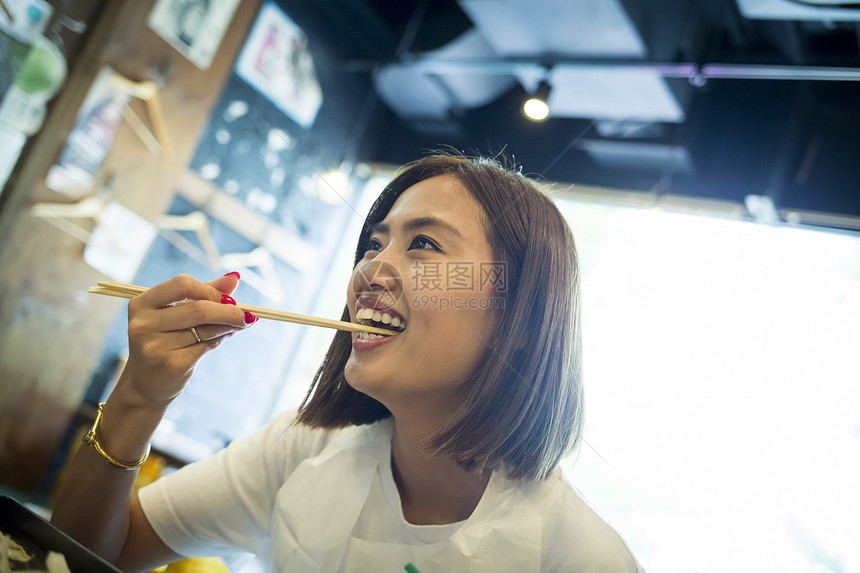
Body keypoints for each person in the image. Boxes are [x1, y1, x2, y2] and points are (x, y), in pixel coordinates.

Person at [52, 153, 644, 572]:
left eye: (424, 243)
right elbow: (95, 552)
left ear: (519, 316)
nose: (369, 271)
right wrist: (140, 395)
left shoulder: (582, 560)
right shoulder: (303, 447)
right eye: (373, 244)